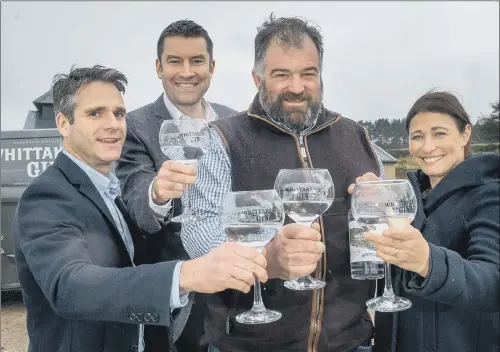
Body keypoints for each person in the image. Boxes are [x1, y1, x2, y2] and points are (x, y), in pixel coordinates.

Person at [11, 65, 268, 352]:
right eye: (95, 113)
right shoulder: (46, 196)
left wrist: (159, 199)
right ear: (63, 124)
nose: (113, 124)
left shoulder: (109, 191)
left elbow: (132, 265)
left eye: (119, 113)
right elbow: (70, 286)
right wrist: (186, 275)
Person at [181, 15, 386, 352]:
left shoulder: (356, 136)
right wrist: (264, 259)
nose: (296, 86)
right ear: (257, 78)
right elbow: (198, 232)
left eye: (308, 73)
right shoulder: (221, 139)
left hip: (350, 341)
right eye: (281, 74)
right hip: (249, 344)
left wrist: (378, 209)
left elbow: (380, 231)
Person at [115, 20, 236, 352]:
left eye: (197, 61)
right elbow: (136, 197)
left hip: (241, 294)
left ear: (211, 67)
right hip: (186, 309)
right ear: (158, 67)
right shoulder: (135, 127)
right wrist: (158, 193)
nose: (187, 71)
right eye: (175, 61)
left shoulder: (234, 121)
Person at [358, 91, 499, 352]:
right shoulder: (406, 199)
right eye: (417, 137)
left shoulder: (489, 196)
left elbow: (492, 283)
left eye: (440, 133)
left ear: (465, 134)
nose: (427, 147)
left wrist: (427, 261)